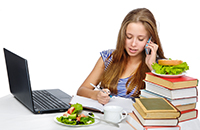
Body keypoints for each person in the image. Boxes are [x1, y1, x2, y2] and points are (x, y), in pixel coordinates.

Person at [77, 8, 165, 105]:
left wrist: (152, 67)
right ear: (123, 35)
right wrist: (96, 95)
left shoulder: (160, 67)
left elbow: (164, 103)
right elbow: (81, 90)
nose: (133, 44)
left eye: (140, 39)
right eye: (129, 37)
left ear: (150, 39)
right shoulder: (108, 57)